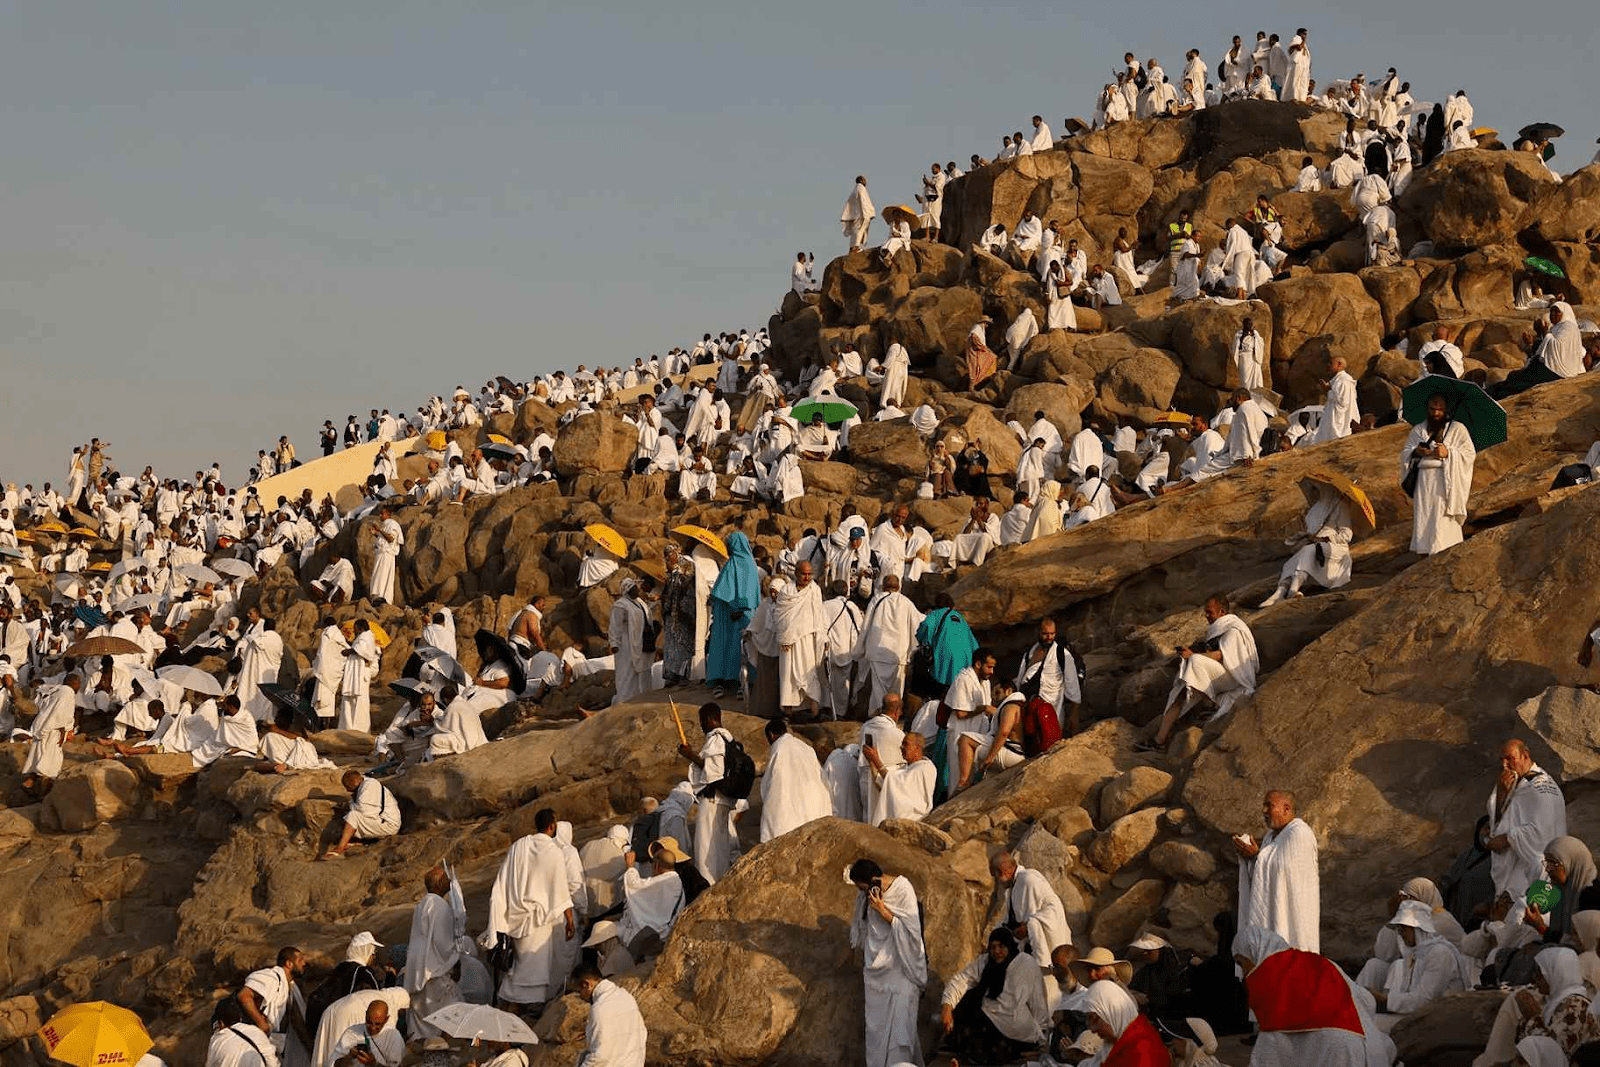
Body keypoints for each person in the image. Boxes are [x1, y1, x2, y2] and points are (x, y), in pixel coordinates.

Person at [1232, 925, 1392, 1067]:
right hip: (1363, 1045)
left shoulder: (1266, 978)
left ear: (1254, 951)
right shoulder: (1317, 960)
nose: (1244, 973)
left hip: (1332, 1052)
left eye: (1242, 963)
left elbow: (1271, 1036)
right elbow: (1366, 1000)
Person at [484, 815, 576, 1010]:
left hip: (515, 918)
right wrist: (570, 920)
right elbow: (561, 890)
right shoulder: (554, 852)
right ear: (552, 826)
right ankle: (512, 1013)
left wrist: (500, 914)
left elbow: (503, 881)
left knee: (518, 968)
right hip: (538, 922)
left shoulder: (519, 846)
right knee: (527, 973)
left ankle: (511, 1012)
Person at [1147, 595, 1258, 748]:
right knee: (1179, 691)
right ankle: (1159, 739)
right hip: (1216, 675)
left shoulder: (1233, 629)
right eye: (1206, 612)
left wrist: (1193, 656)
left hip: (1233, 677)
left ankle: (1209, 704)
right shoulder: (1216, 629)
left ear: (1222, 612)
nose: (1206, 615)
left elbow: (1222, 655)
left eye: (1210, 612)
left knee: (1195, 661)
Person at [848, 858, 928, 1067]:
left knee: (901, 1031)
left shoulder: (903, 889)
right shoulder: (865, 896)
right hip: (876, 976)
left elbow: (913, 935)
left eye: (863, 887)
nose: (864, 893)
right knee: (877, 1029)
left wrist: (883, 910)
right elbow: (865, 930)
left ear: (875, 879)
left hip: (901, 970)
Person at [939, 927, 1049, 1063]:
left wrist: (1042, 1036)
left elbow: (1038, 1001)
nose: (997, 952)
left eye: (1001, 946)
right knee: (968, 999)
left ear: (1009, 945)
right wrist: (947, 1007)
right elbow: (961, 981)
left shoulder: (1026, 963)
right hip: (990, 1020)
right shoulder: (985, 962)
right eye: (993, 947)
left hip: (1016, 1029)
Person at [1235, 790, 1320, 952]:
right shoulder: (1270, 837)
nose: (1264, 811)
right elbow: (1265, 876)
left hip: (1292, 913)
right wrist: (1251, 859)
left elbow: (1285, 869)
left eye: (1269, 806)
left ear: (1286, 809)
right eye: (1264, 806)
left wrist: (1256, 856)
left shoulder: (1299, 833)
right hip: (1274, 908)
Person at [1487, 738, 1568, 905]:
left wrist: (1508, 838)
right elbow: (1501, 818)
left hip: (1539, 864)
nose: (1505, 766)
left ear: (1525, 756)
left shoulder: (1541, 786)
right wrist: (1502, 792)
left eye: (1510, 759)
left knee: (1525, 912)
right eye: (1502, 760)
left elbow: (1543, 831)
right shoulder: (1518, 782)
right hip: (1522, 861)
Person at [1259, 482, 1355, 607]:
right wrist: (1307, 536)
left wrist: (1327, 538)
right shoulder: (1314, 509)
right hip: (1314, 545)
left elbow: (1347, 534)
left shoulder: (1340, 506)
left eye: (1317, 488)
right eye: (1314, 488)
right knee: (1290, 563)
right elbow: (1310, 530)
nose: (1315, 491)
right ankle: (1279, 593)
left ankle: (1293, 591)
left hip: (1334, 548)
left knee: (1307, 552)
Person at [678, 701, 734, 882]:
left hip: (713, 799)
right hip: (720, 799)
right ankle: (717, 880)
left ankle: (707, 884)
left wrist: (691, 755)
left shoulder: (717, 739)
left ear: (710, 720)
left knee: (705, 846)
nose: (701, 726)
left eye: (702, 721)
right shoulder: (727, 740)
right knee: (716, 845)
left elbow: (714, 771)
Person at [851, 575, 923, 714]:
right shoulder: (906, 602)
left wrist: (859, 649)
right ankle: (893, 717)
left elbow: (866, 626)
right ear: (899, 586)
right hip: (898, 654)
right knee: (896, 691)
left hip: (878, 652)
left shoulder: (877, 599)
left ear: (883, 586)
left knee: (879, 691)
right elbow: (918, 623)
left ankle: (877, 718)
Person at [992, 850, 1071, 965]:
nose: (997, 881)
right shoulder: (1012, 889)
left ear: (1001, 872)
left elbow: (1048, 909)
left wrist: (1029, 925)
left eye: (996, 875)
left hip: (1048, 942)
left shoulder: (1027, 880)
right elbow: (1012, 921)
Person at [758, 719, 831, 842]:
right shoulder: (806, 747)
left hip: (789, 807)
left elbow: (771, 782)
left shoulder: (779, 748)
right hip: (813, 804)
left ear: (771, 735)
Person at [707, 533, 759, 694]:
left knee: (737, 647)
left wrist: (738, 608)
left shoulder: (741, 565)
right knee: (729, 646)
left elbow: (746, 592)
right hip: (733, 614)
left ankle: (737, 683)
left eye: (729, 544)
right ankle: (727, 681)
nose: (728, 548)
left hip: (738, 615)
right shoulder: (739, 564)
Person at [1015, 616, 1082, 736]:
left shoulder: (1062, 654)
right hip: (1029, 709)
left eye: (1052, 634)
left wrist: (1074, 715)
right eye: (1045, 634)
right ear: (1039, 633)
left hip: (1052, 710)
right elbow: (1020, 680)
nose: (1049, 638)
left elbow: (1073, 685)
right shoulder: (1029, 653)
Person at [572, 962, 647, 1067]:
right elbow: (642, 1035)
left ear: (587, 984)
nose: (580, 996)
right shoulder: (626, 996)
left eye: (579, 991)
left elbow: (600, 1056)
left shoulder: (600, 1008)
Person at [1084, 979, 1171, 1065]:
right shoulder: (1115, 1046)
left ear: (1111, 1013)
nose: (1092, 1029)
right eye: (1088, 1020)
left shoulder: (1143, 1050)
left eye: (1095, 1018)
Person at [403, 867, 459, 997]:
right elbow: (443, 944)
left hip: (420, 973)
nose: (449, 881)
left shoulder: (423, 904)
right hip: (434, 975)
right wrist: (456, 960)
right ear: (439, 884)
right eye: (445, 879)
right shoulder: (439, 906)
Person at [20, 673, 79, 795]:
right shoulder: (68, 692)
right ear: (74, 683)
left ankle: (30, 784)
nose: (79, 687)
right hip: (53, 729)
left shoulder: (56, 690)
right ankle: (43, 792)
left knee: (40, 756)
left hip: (42, 725)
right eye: (79, 684)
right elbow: (61, 712)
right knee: (51, 760)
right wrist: (64, 730)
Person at [323, 771, 400, 859]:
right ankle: (364, 842)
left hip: (389, 825)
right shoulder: (363, 785)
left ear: (355, 781)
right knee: (349, 817)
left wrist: (349, 805)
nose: (347, 790)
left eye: (348, 787)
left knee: (353, 816)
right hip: (381, 821)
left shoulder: (370, 786)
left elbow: (364, 811)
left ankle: (339, 849)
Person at [866, 731, 936, 824]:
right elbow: (885, 785)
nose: (901, 747)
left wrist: (876, 759)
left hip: (913, 817)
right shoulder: (906, 767)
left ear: (917, 748)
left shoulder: (925, 767)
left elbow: (894, 782)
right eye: (902, 744)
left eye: (906, 744)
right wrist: (871, 761)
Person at [207, 998, 277, 1067]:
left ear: (221, 1023)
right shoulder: (256, 1031)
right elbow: (272, 1062)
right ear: (239, 1018)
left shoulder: (218, 1039)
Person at [330, 1001, 404, 1067]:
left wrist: (373, 1064)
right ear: (365, 1015)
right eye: (369, 1022)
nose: (372, 1027)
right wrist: (349, 1056)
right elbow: (334, 1064)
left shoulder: (393, 1036)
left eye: (377, 1024)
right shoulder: (351, 1033)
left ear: (386, 1019)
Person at [1316, 355, 1360, 444]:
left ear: (1339, 364)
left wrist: (1328, 391)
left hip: (1341, 418)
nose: (1329, 366)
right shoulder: (1337, 380)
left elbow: (1344, 402)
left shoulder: (1344, 381)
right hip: (1332, 415)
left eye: (1331, 363)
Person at [367, 507, 403, 605]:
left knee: (383, 577)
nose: (380, 516)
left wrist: (379, 530)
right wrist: (375, 533)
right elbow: (383, 539)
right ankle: (377, 598)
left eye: (382, 514)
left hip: (387, 555)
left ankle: (384, 599)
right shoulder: (385, 525)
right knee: (378, 577)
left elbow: (391, 538)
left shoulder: (392, 524)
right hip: (380, 554)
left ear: (388, 514)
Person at [841, 176, 875, 252]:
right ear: (862, 181)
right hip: (861, 214)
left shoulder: (855, 190)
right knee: (859, 231)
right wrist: (867, 214)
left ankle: (852, 247)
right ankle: (856, 248)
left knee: (855, 232)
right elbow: (864, 202)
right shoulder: (861, 189)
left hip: (855, 215)